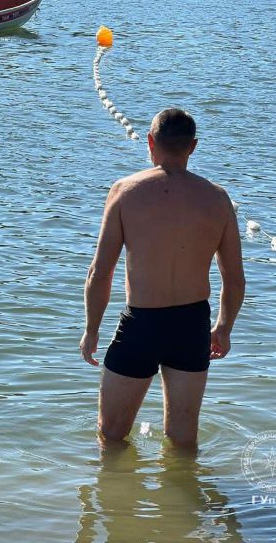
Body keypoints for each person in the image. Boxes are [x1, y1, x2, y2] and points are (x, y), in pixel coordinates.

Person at [79, 108, 245, 448]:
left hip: (142, 324)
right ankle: (185, 499)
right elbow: (235, 278)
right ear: (193, 146)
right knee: (183, 442)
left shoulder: (125, 192)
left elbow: (100, 272)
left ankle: (115, 499)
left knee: (110, 437)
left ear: (150, 143)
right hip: (192, 325)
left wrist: (91, 329)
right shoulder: (217, 198)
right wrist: (223, 328)